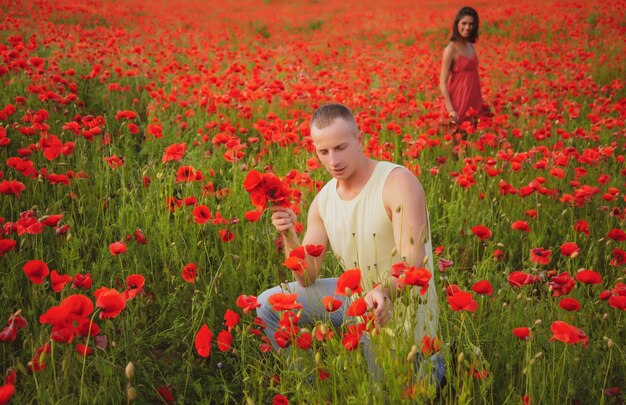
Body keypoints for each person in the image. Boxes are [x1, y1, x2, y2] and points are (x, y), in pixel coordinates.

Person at [256, 103, 443, 385]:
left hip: (401, 311)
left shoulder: (397, 183)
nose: (333, 161)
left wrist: (383, 290)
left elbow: (414, 262)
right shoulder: (323, 201)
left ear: (360, 139)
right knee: (266, 306)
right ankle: (310, 388)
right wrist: (288, 233)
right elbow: (306, 277)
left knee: (382, 392)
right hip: (357, 299)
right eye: (324, 151)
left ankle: (430, 368)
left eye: (341, 147)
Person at [439, 6, 486, 128]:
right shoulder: (450, 50)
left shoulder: (471, 45)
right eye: (463, 23)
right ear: (457, 24)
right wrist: (450, 110)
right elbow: (442, 83)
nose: (467, 27)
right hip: (458, 100)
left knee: (474, 139)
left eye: (471, 24)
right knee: (458, 138)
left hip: (474, 99)